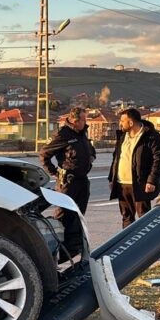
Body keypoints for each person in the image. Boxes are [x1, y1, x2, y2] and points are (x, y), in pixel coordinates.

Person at [40, 107, 95, 258]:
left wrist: (91, 158)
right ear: (75, 120)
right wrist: (55, 173)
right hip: (68, 183)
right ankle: (55, 252)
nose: (86, 122)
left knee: (78, 216)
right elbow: (44, 154)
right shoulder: (63, 134)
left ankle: (74, 248)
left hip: (82, 181)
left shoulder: (82, 133)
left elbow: (90, 149)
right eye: (83, 120)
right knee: (63, 216)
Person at [108, 107, 160, 227]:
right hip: (122, 184)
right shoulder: (123, 136)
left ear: (131, 122)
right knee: (126, 217)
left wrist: (151, 180)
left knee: (144, 218)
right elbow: (116, 158)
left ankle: (146, 244)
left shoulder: (151, 136)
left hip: (140, 184)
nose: (120, 124)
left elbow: (158, 160)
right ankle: (128, 244)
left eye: (122, 121)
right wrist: (111, 178)